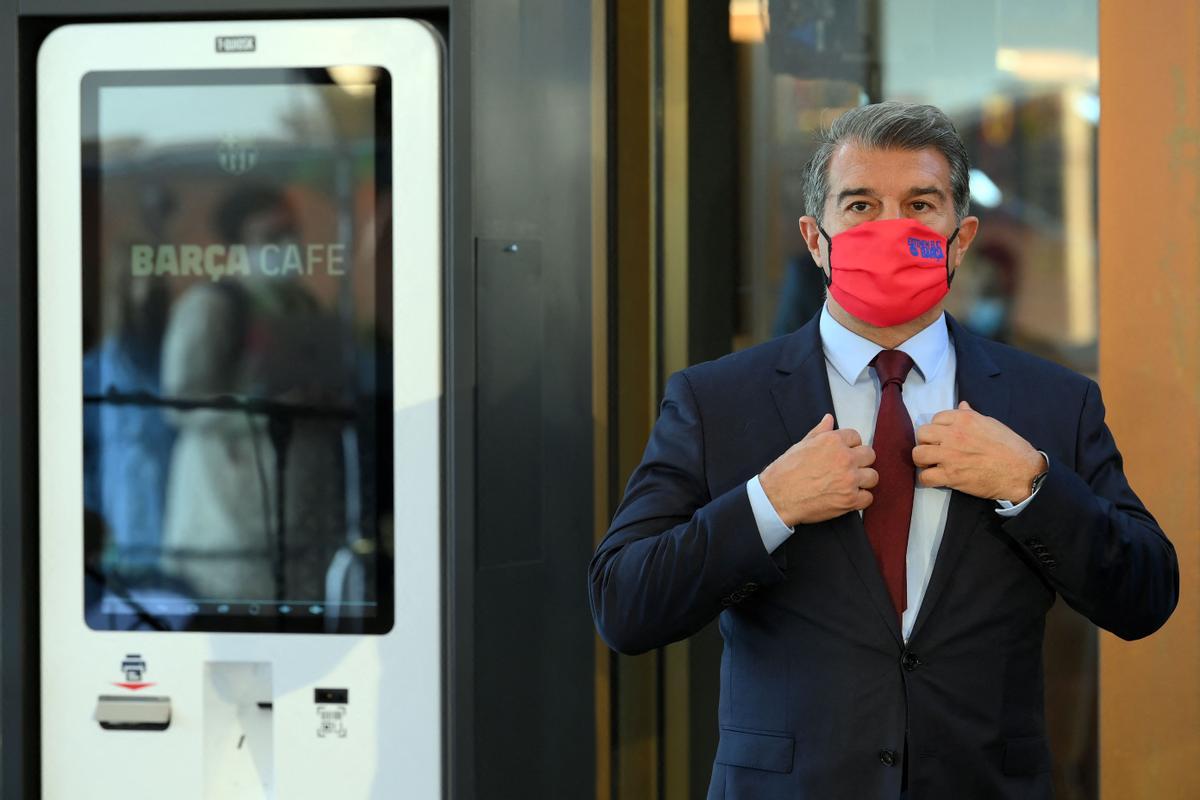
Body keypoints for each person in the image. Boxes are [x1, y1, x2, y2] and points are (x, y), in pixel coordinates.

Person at [588, 102, 1178, 800]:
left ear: (961, 240)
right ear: (816, 238)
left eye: (920, 204)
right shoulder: (719, 401)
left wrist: (1032, 486)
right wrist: (767, 505)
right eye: (861, 204)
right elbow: (625, 603)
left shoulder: (1051, 402)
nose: (890, 227)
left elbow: (1144, 594)